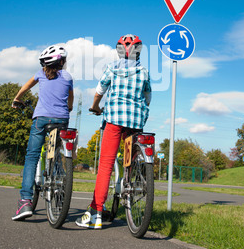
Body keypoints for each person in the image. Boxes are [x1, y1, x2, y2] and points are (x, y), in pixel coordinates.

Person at [76, 34, 151, 229]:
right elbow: (148, 97)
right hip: (135, 121)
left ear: (119, 51)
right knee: (130, 160)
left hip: (114, 120)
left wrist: (95, 107)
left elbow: (99, 92)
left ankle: (95, 213)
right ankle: (131, 184)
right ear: (139, 51)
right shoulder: (144, 71)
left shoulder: (111, 68)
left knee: (106, 165)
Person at [12, 44, 73, 221]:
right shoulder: (68, 76)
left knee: (32, 157)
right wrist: (68, 107)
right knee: (55, 155)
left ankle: (25, 201)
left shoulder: (40, 74)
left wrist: (17, 99)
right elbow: (70, 99)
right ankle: (58, 189)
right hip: (61, 120)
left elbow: (25, 88)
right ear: (61, 62)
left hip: (41, 120)